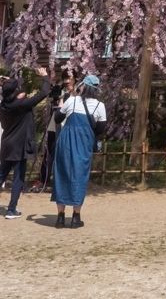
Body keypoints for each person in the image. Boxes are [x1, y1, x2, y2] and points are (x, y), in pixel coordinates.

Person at [0, 67, 50, 219]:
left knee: (0, 176)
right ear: (15, 92)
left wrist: (9, 85)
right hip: (19, 146)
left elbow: (10, 92)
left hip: (6, 145)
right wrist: (45, 77)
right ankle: (11, 209)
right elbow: (44, 92)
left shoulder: (3, 106)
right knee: (18, 178)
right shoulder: (21, 104)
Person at [50, 73, 106, 229]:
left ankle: (60, 217)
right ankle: (76, 217)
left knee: (62, 175)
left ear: (83, 86)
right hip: (84, 143)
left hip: (65, 142)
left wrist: (61, 105)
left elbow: (57, 118)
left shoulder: (72, 101)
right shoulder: (99, 106)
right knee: (80, 176)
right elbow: (100, 129)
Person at [32, 68, 72, 194]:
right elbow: (51, 98)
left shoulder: (78, 92)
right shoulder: (59, 88)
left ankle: (63, 180)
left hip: (69, 125)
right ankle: (44, 178)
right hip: (55, 123)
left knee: (66, 153)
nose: (67, 81)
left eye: (70, 78)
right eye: (65, 78)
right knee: (50, 150)